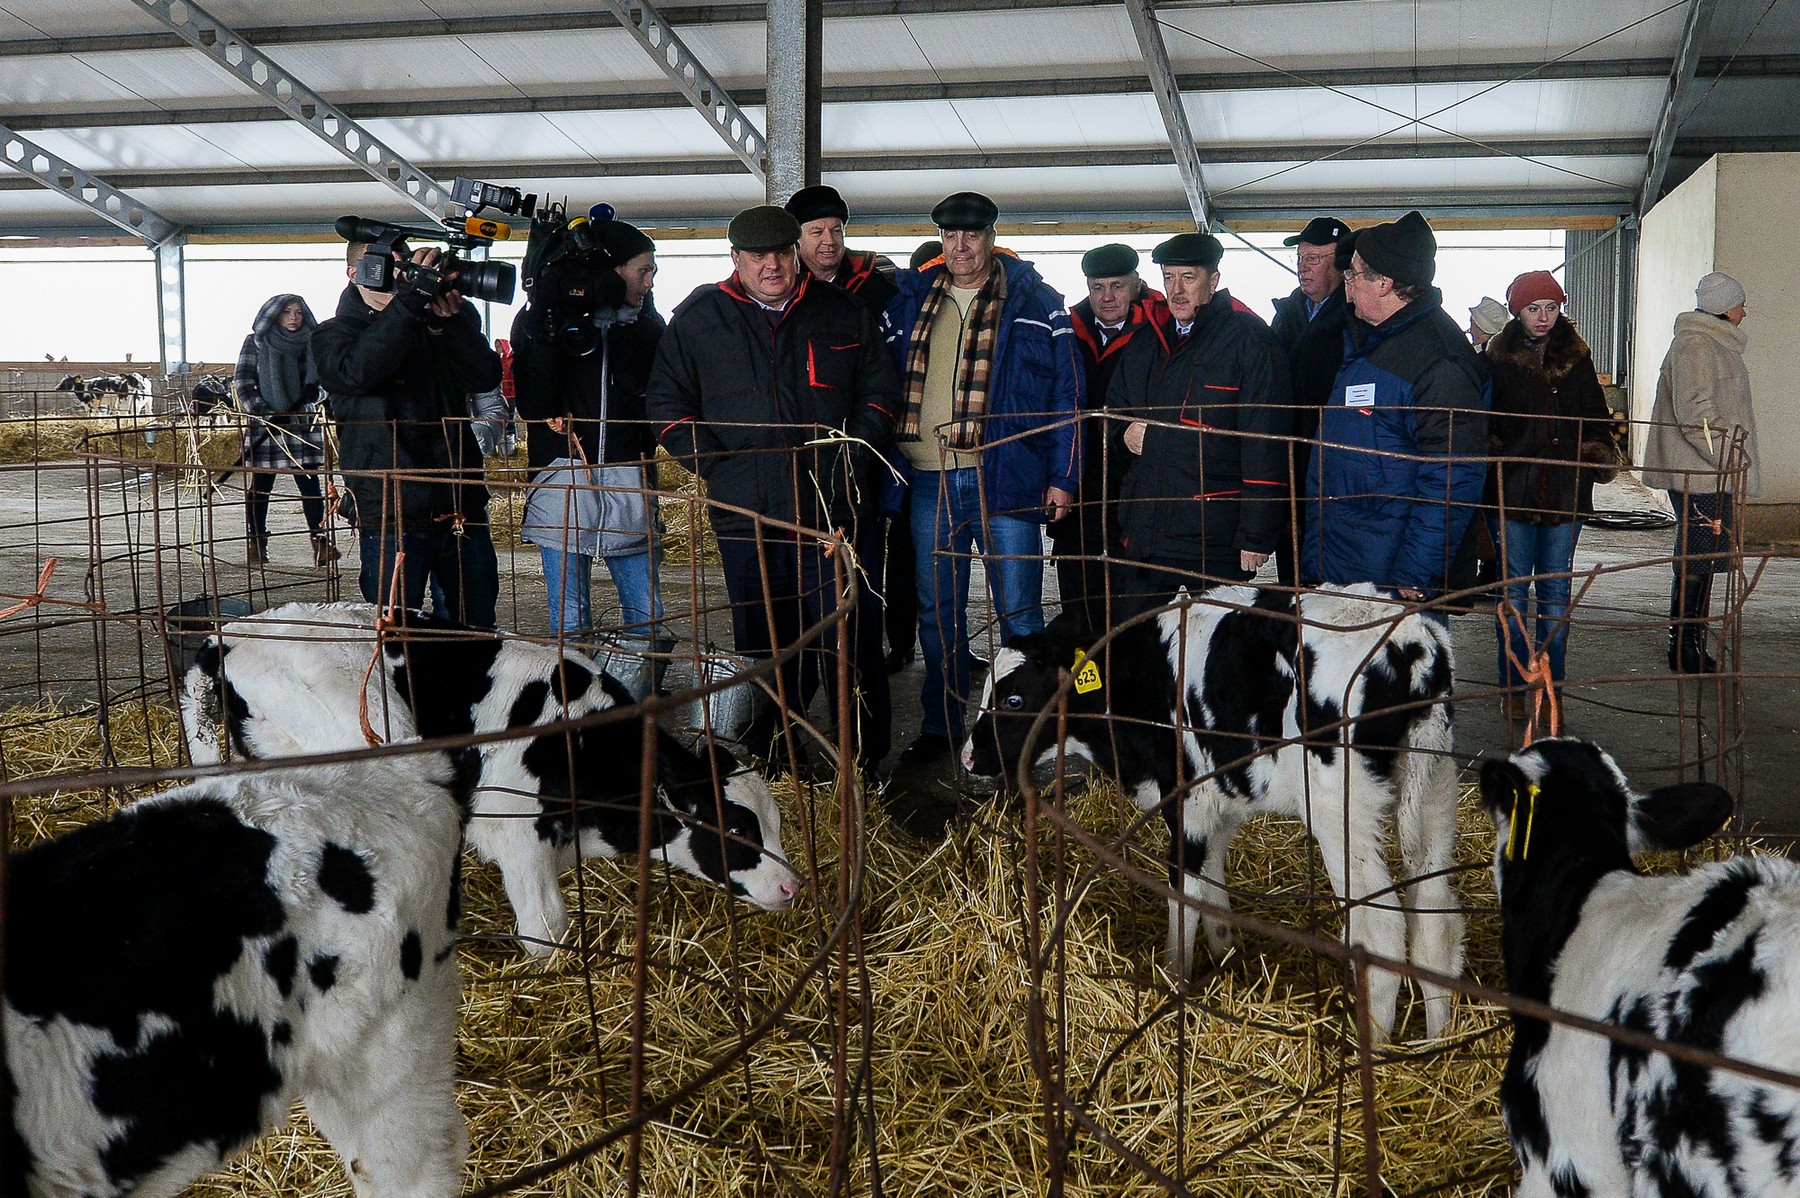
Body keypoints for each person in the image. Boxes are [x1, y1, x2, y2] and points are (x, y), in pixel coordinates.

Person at [647, 204, 898, 772]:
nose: (772, 266)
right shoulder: (700, 317)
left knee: (846, 637)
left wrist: (848, 454)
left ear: (796, 255)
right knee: (764, 640)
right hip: (746, 512)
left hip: (832, 509)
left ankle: (858, 762)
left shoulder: (841, 311)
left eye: (781, 254)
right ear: (735, 259)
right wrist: (715, 465)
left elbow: (879, 391)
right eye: (757, 256)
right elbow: (664, 403)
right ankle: (775, 757)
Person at [882, 190, 1082, 768]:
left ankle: (1032, 734)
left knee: (1020, 617)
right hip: (929, 480)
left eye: (971, 235)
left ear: (992, 237)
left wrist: (1063, 476)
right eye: (949, 236)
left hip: (1008, 482)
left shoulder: (1037, 302)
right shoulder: (913, 300)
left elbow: (1068, 395)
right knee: (937, 612)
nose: (960, 246)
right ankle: (940, 725)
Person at [512, 212, 670, 692]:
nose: (650, 280)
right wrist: (549, 319)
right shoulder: (543, 319)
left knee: (647, 613)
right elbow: (534, 402)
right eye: (643, 270)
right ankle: (575, 707)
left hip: (628, 475)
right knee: (570, 613)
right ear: (613, 270)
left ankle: (639, 699)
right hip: (563, 477)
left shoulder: (645, 326)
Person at [1301, 210, 1490, 607]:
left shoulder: (1438, 362)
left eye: (1352, 274)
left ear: (1385, 282)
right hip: (1352, 558)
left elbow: (1453, 476)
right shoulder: (1373, 340)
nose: (1346, 285)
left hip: (1392, 577)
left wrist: (1418, 571)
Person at [313, 236, 502, 625]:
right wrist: (408, 304)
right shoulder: (334, 333)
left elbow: (484, 376)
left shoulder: (438, 323)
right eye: (386, 264)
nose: (399, 273)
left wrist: (451, 324)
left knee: (474, 623)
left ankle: (463, 686)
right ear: (354, 274)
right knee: (395, 628)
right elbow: (358, 371)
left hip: (459, 503)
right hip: (389, 509)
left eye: (404, 264)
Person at [1109, 233, 1292, 616]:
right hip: (1148, 524)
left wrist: (1257, 535)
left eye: (1188, 278)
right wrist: (1122, 433)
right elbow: (1113, 410)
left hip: (1215, 534)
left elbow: (1266, 442)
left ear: (1214, 279)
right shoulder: (1148, 339)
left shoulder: (1250, 341)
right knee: (1137, 639)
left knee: (1217, 648)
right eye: (1168, 277)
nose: (1176, 290)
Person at [785, 185, 915, 677]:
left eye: (836, 230)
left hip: (867, 449)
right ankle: (806, 669)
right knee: (799, 571)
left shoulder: (880, 287)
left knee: (866, 562)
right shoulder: (782, 291)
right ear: (796, 240)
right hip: (799, 458)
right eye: (816, 232)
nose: (829, 241)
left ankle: (864, 663)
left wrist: (864, 439)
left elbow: (894, 368)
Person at [1483, 270, 1616, 714]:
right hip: (1514, 489)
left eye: (1551, 308)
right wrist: (1496, 455)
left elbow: (1596, 414)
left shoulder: (1576, 358)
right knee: (1515, 592)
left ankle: (1551, 688)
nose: (1543, 317)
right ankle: (1515, 688)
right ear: (1517, 311)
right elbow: (1484, 417)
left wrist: (1594, 453)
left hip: (1565, 489)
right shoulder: (1497, 359)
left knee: (1556, 592)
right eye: (1533, 308)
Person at [1641, 271, 1758, 674]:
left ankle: (1689, 644)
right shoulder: (1695, 345)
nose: (1745, 311)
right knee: (1697, 557)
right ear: (1726, 308)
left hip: (1708, 471)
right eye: (1741, 303)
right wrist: (1727, 458)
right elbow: (1695, 416)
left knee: (1704, 558)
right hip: (1699, 472)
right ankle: (1683, 647)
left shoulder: (1711, 343)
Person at [1054, 242, 1167, 627]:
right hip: (1078, 486)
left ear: (1136, 283)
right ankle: (1085, 685)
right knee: (1078, 606)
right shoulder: (1067, 328)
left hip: (1135, 489)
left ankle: (1128, 684)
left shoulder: (1160, 328)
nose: (1107, 297)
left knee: (1132, 611)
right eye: (1097, 286)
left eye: (1117, 286)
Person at [1269, 216, 1353, 586]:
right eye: (1300, 258)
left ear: (1340, 262)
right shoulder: (1287, 313)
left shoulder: (1355, 317)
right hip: (1288, 456)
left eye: (1314, 259)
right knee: (1292, 563)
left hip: (1336, 460)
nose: (1303, 268)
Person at [234, 294, 336, 567]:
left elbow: (324, 380)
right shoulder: (256, 342)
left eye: (299, 312)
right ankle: (256, 543)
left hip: (303, 424)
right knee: (261, 485)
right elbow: (243, 381)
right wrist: (264, 412)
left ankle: (321, 542)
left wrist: (313, 396)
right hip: (266, 425)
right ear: (274, 315)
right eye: (287, 312)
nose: (293, 318)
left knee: (310, 484)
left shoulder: (313, 342)